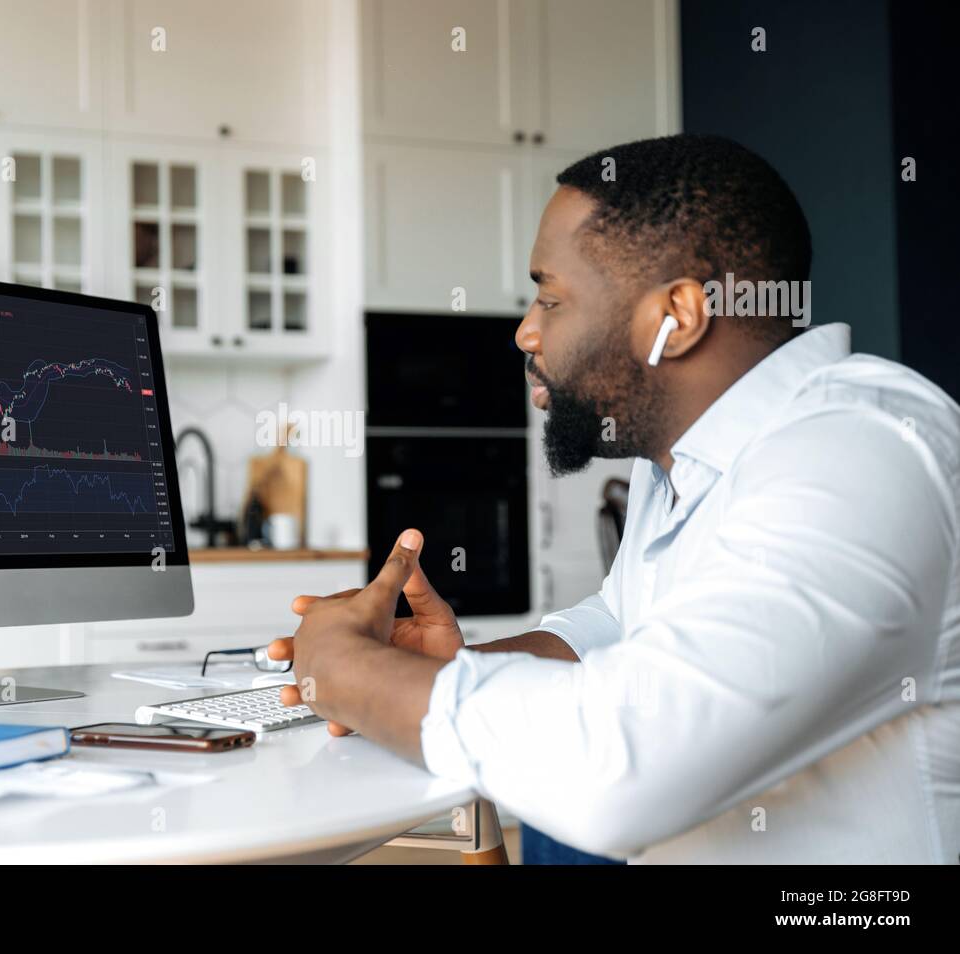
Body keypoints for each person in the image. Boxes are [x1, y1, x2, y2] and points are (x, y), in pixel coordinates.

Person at [268, 134, 960, 863]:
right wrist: (443, 666)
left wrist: (350, 670)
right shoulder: (687, 459)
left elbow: (621, 769)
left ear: (677, 318)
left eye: (551, 299)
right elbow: (625, 619)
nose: (526, 331)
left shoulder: (857, 454)